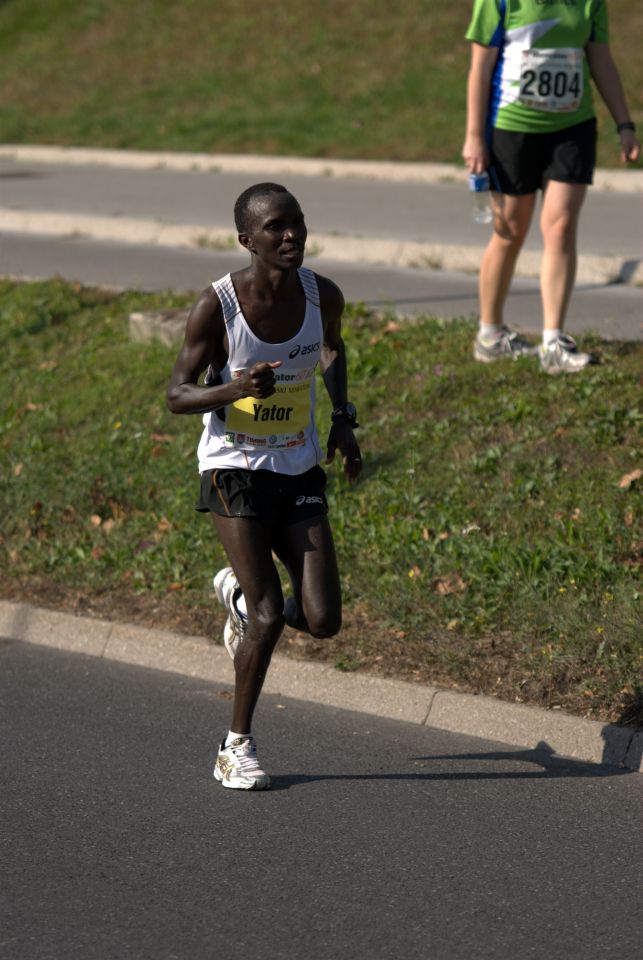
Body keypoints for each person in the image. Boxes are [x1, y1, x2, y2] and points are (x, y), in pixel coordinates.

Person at [166, 182, 362, 790]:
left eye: (298, 223)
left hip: (297, 466)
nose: (292, 235)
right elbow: (177, 394)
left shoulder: (321, 294)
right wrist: (233, 389)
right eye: (277, 227)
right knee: (272, 611)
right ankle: (235, 746)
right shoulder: (217, 307)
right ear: (247, 240)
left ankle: (235, 596)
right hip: (233, 466)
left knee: (324, 619)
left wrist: (344, 421)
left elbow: (332, 351)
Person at [462, 0, 640, 373]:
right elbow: (480, 67)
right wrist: (474, 136)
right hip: (512, 127)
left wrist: (624, 124)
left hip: (572, 129)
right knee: (510, 230)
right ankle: (490, 335)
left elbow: (601, 60)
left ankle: (553, 340)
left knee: (560, 227)